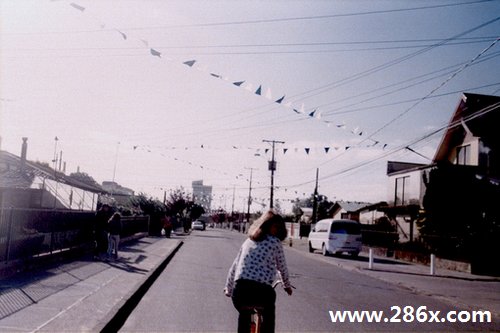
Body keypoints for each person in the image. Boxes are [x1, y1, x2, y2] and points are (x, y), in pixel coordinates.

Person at [224, 210, 293, 333]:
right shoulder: (275, 243)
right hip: (262, 293)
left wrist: (229, 289)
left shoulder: (248, 241)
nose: (276, 230)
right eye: (275, 226)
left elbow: (235, 266)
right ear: (267, 225)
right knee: (269, 311)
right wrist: (286, 286)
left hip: (240, 292)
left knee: (244, 314)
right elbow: (282, 267)